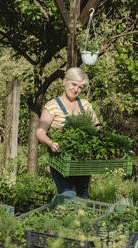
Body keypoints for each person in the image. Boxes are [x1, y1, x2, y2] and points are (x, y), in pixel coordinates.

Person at [36, 67, 99, 198]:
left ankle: (71, 217)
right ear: (64, 81)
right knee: (68, 196)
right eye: (74, 84)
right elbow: (40, 132)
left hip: (82, 162)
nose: (76, 90)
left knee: (82, 197)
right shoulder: (52, 106)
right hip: (60, 160)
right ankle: (63, 216)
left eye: (81, 87)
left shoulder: (86, 105)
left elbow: (97, 127)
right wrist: (50, 142)